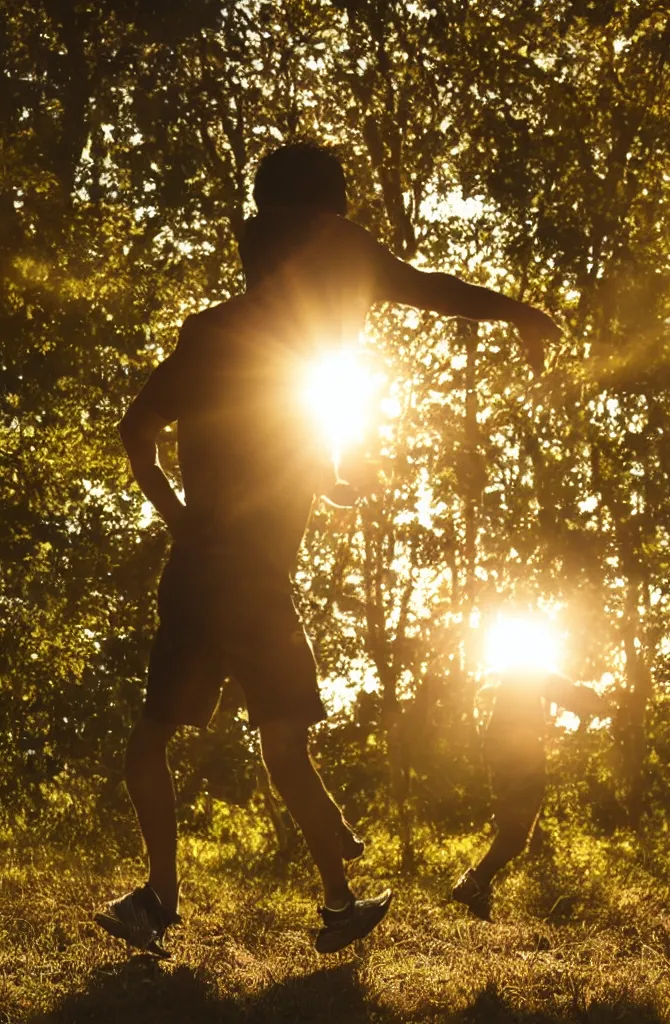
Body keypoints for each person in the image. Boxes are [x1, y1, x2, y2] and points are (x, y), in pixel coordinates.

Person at [94, 141, 561, 957]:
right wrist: (518, 312)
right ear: (319, 224)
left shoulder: (216, 335)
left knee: (157, 741)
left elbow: (161, 430)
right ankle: (330, 900)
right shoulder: (326, 279)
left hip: (201, 572)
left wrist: (184, 514)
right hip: (249, 581)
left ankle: (163, 895)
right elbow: (431, 292)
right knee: (282, 745)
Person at [452, 669, 608, 921]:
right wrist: (601, 702)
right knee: (515, 834)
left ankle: (480, 896)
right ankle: (474, 883)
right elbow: (564, 692)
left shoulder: (515, 674)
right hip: (520, 755)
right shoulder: (529, 669)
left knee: (511, 829)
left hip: (502, 752)